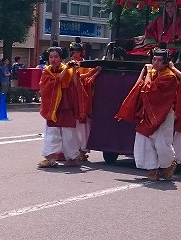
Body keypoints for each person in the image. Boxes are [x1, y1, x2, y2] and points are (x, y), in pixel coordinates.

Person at [115, 47, 179, 180]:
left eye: (159, 60)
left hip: (163, 113)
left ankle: (167, 165)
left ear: (166, 62)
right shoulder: (153, 72)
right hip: (148, 112)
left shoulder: (170, 77)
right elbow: (140, 86)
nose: (155, 62)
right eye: (154, 59)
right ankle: (152, 169)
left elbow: (148, 90)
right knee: (143, 139)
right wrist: (144, 73)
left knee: (162, 142)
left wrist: (148, 72)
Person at [38, 46, 81, 168]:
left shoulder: (67, 68)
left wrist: (73, 70)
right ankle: (50, 158)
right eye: (51, 57)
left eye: (56, 57)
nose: (53, 59)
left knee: (68, 132)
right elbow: (52, 83)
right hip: (53, 106)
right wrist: (67, 68)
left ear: (61, 58)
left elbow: (75, 84)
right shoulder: (47, 71)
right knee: (51, 131)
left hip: (66, 104)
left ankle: (72, 157)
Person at [68, 41, 101, 161]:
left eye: (77, 52)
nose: (75, 55)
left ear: (82, 53)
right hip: (72, 98)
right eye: (73, 52)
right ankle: (73, 150)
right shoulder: (69, 65)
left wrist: (94, 72)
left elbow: (88, 80)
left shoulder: (87, 65)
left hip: (84, 99)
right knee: (72, 126)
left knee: (84, 126)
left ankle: (83, 150)